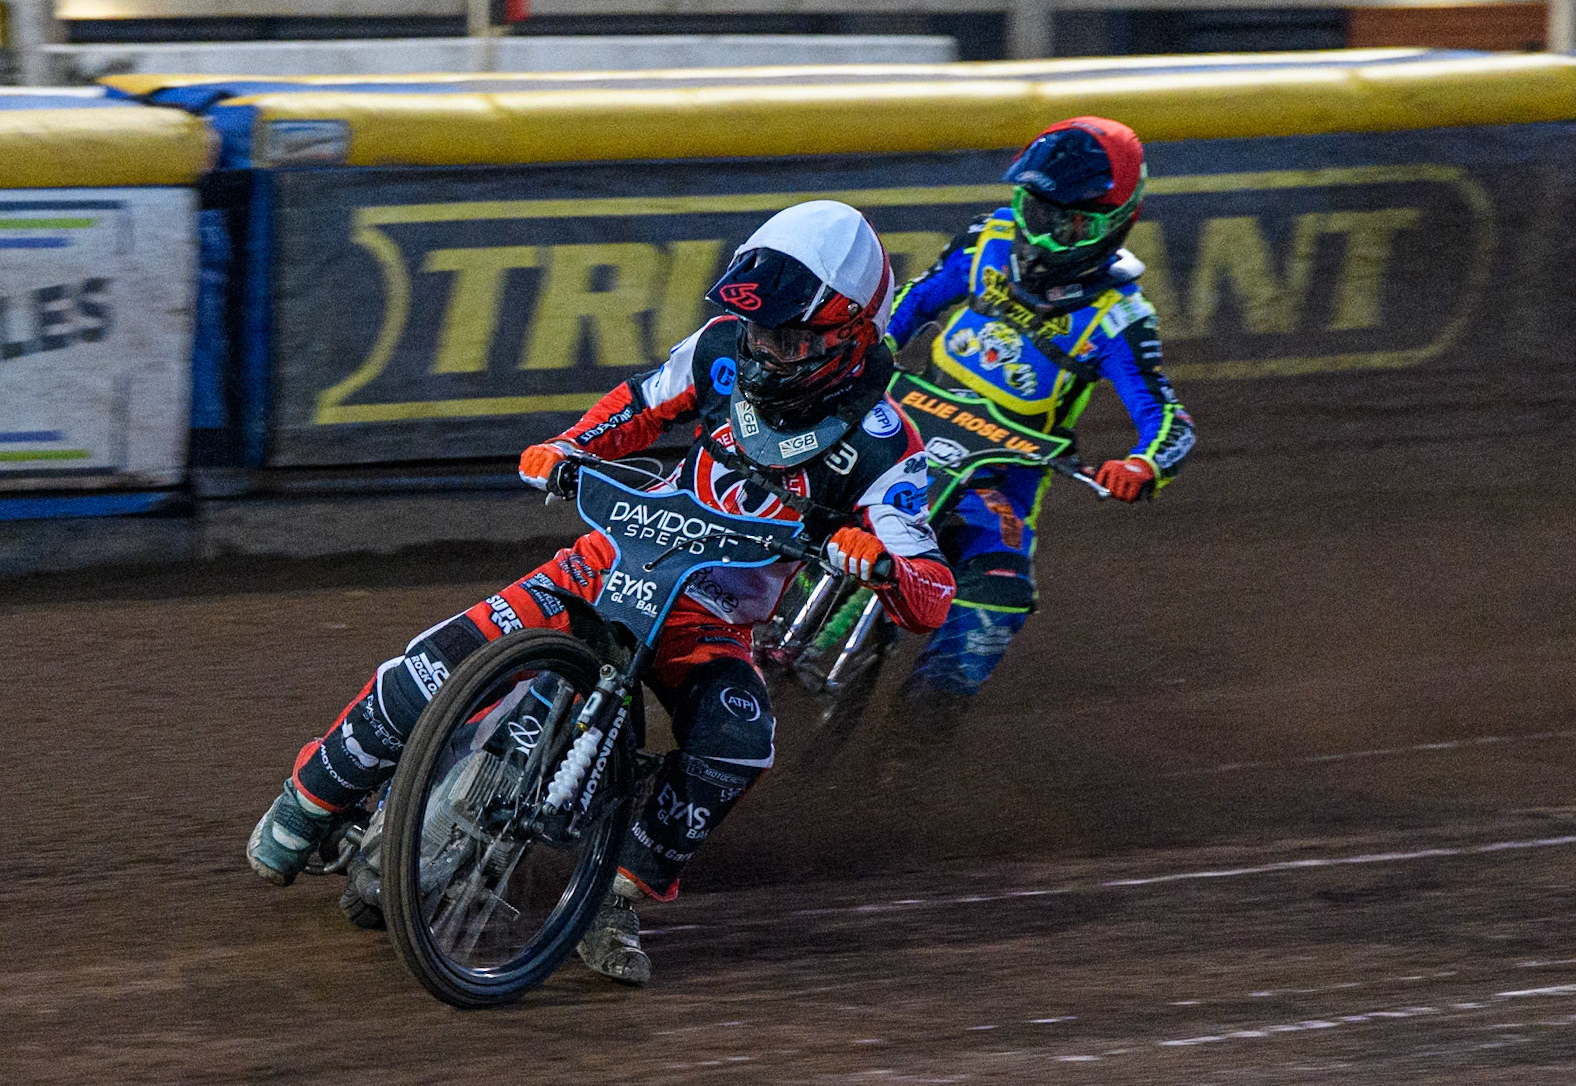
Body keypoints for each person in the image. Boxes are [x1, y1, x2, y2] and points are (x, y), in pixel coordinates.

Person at [245, 200, 956, 986]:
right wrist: (571, 446)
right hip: (608, 562)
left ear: (849, 333)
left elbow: (930, 594)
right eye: (756, 331)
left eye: (785, 338)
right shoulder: (720, 349)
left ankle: (619, 892)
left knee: (741, 739)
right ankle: (311, 796)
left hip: (711, 623)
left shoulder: (889, 446)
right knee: (436, 664)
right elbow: (639, 405)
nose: (760, 352)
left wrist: (883, 563)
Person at [885, 116, 1195, 715]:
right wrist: (863, 354)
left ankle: (916, 738)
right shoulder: (986, 242)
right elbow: (905, 307)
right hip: (898, 436)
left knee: (1000, 595)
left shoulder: (1119, 316)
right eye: (1034, 210)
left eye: (1066, 222)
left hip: (997, 483)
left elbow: (1168, 420)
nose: (1042, 234)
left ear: (1111, 225)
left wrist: (1142, 465)